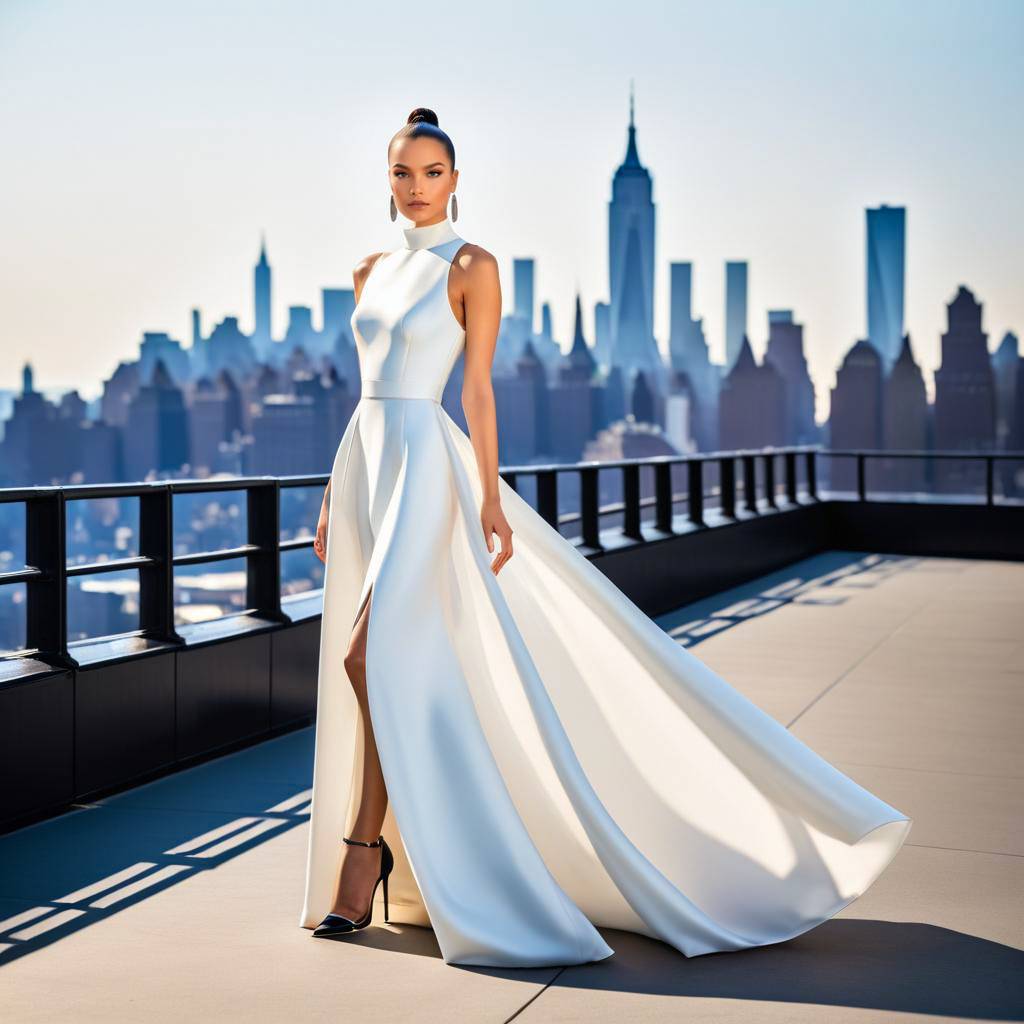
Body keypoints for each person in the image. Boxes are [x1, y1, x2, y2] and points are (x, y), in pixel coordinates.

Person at [298, 107, 912, 968]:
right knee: (393, 664)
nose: (416, 187)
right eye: (403, 172)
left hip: (428, 469)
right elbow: (360, 396)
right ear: (387, 178)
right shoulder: (368, 272)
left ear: (456, 178)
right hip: (367, 468)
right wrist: (332, 494)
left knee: (372, 658)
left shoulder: (471, 266)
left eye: (432, 172)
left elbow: (476, 393)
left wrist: (488, 498)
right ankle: (405, 846)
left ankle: (366, 854)